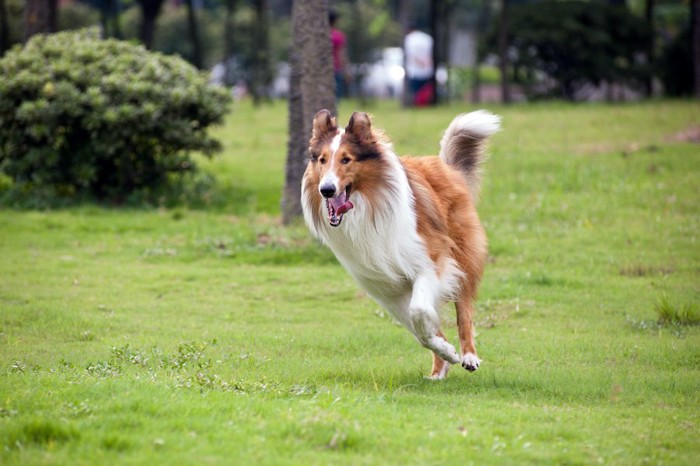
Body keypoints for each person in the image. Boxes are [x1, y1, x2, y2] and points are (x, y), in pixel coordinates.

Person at [404, 26, 434, 106]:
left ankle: (418, 104)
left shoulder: (409, 39)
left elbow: (412, 55)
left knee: (416, 91)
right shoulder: (427, 38)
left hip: (415, 71)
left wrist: (420, 62)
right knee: (424, 90)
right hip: (427, 69)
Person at [330, 10, 349, 99]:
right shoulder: (338, 36)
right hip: (335, 69)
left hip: (319, 70)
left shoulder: (316, 36)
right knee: (335, 98)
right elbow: (342, 55)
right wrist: (346, 71)